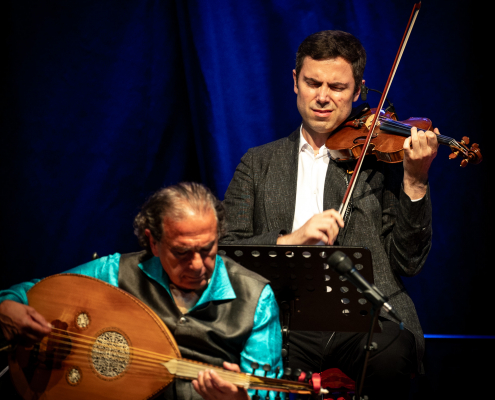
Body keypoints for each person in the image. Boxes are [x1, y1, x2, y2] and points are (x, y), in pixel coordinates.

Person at [221, 30, 439, 399]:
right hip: (284, 319)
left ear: (358, 91)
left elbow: (409, 262)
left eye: (337, 87)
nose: (323, 97)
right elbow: (227, 251)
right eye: (312, 83)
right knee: (254, 363)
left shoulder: (380, 162)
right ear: (295, 82)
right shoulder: (257, 163)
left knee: (391, 357)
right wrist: (291, 240)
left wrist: (415, 181)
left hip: (369, 320)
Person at [0, 182, 282, 400]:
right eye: (182, 252)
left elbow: (271, 393)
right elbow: (34, 292)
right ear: (154, 242)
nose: (197, 265)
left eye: (207, 249)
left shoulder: (255, 298)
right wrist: (7, 306)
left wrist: (239, 399)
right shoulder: (116, 272)